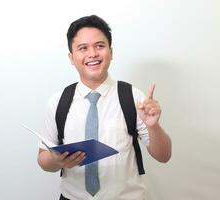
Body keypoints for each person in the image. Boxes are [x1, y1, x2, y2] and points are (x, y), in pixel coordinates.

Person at [37, 15, 172, 200]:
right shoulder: (58, 102)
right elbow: (43, 160)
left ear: (111, 51)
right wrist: (55, 160)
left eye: (100, 46)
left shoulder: (134, 98)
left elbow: (164, 156)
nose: (92, 54)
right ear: (71, 57)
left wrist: (153, 126)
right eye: (83, 48)